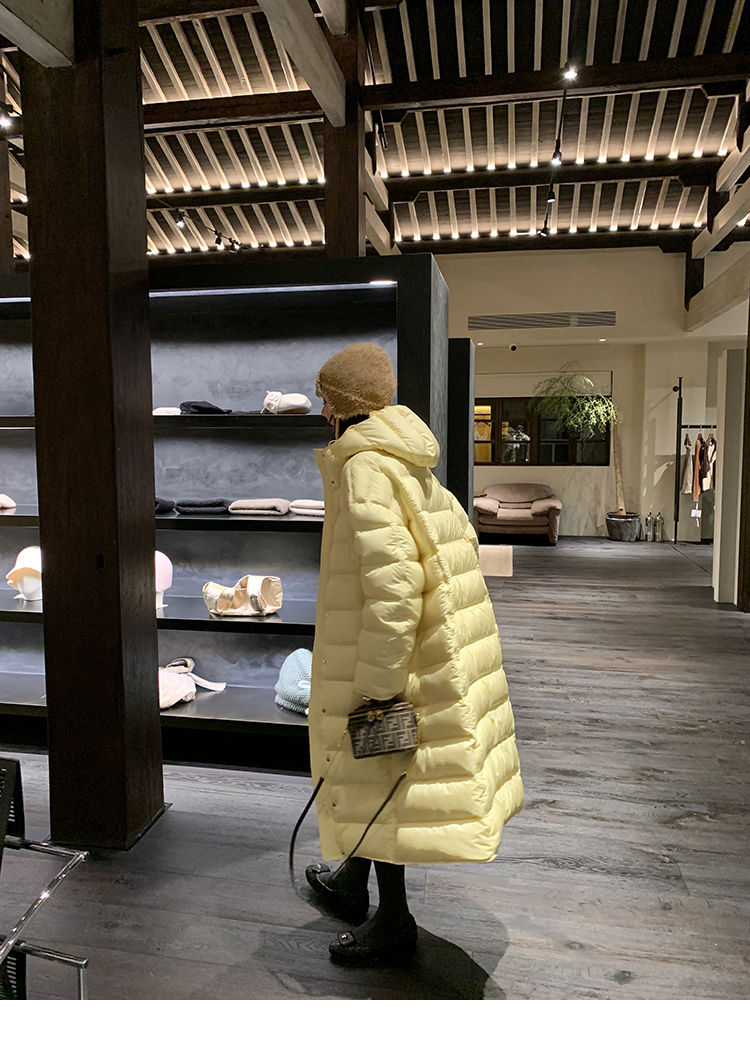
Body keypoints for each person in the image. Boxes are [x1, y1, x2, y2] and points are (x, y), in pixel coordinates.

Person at [304, 342, 523, 967]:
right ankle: (352, 880)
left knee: (379, 776)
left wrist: (376, 684)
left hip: (394, 661)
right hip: (421, 652)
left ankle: (393, 921)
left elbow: (395, 584)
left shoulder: (364, 466)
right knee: (372, 776)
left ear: (339, 405)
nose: (322, 410)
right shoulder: (404, 455)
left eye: (325, 399)